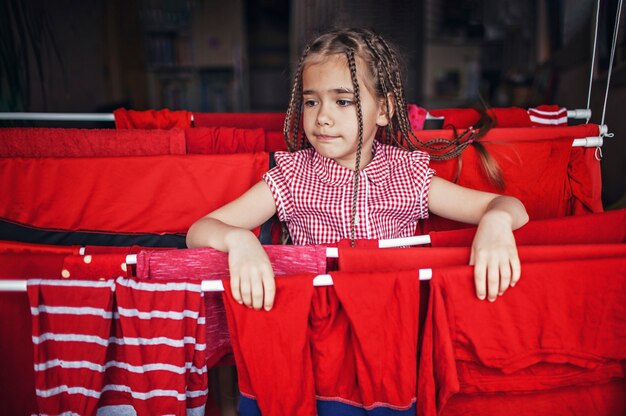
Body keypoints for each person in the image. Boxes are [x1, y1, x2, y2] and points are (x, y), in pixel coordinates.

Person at [187, 28, 529, 311]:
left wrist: (496, 222)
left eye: (342, 100)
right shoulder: (292, 177)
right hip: (318, 334)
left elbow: (508, 207)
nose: (322, 116)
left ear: (384, 109)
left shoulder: (406, 174)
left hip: (396, 330)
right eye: (311, 101)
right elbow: (199, 231)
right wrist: (240, 242)